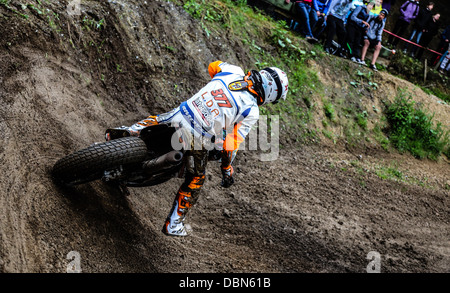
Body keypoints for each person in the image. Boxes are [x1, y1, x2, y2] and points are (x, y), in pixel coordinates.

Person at [123, 61, 289, 236]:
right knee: (196, 179)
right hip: (197, 138)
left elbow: (212, 66)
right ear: (272, 95)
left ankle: (128, 131)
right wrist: (227, 169)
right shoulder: (251, 111)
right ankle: (174, 224)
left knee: (159, 118)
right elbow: (229, 146)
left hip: (181, 114)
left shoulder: (232, 71)